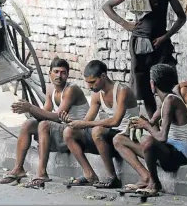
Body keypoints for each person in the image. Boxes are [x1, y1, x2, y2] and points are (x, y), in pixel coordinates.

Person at [102, 0, 187, 119]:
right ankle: (154, 123)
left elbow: (181, 18)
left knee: (167, 85)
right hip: (139, 46)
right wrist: (125, 24)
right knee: (145, 89)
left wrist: (165, 36)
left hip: (160, 45)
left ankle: (174, 122)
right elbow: (107, 6)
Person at [0, 57, 89, 187]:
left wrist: (31, 107)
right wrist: (28, 110)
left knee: (44, 125)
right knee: (28, 124)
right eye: (56, 72)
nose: (59, 76)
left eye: (63, 73)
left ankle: (41, 173)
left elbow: (56, 117)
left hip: (78, 132)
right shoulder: (51, 89)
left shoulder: (71, 90)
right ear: (50, 73)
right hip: (63, 130)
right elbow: (45, 113)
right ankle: (18, 169)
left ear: (68, 75)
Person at [113, 64, 187, 195]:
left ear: (152, 84)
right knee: (119, 140)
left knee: (148, 141)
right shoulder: (165, 100)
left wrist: (146, 126)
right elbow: (150, 122)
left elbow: (162, 137)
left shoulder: (171, 100)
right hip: (169, 149)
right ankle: (145, 177)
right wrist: (139, 123)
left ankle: (155, 183)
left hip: (181, 153)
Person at [60, 60, 140, 189]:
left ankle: (112, 177)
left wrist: (87, 124)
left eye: (92, 82)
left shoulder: (122, 90)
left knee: (97, 130)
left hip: (127, 136)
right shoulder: (97, 96)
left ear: (103, 76)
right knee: (68, 132)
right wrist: (71, 122)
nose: (89, 86)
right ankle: (89, 174)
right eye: (88, 82)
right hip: (109, 139)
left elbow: (115, 121)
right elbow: (86, 122)